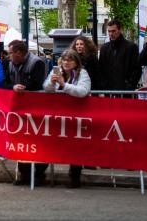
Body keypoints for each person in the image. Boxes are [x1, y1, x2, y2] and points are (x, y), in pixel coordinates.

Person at [43, 48, 91, 188]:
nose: (66, 62)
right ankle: (41, 173)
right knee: (50, 143)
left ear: (76, 62)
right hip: (58, 115)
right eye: (64, 59)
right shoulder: (57, 71)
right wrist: (52, 83)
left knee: (76, 147)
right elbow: (46, 87)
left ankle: (74, 177)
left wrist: (64, 85)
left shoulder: (82, 73)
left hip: (78, 115)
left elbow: (82, 91)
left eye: (70, 60)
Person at [4, 39, 47, 186]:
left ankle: (40, 174)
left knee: (38, 143)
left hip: (36, 109)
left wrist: (23, 88)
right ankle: (24, 174)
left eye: (10, 53)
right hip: (19, 110)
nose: (8, 56)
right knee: (21, 142)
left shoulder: (37, 63)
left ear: (19, 53)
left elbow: (37, 83)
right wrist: (13, 87)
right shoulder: (10, 64)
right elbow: (5, 82)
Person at [98, 20, 140, 91]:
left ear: (120, 30)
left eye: (113, 31)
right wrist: (104, 85)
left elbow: (137, 69)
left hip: (125, 91)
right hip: (109, 90)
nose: (111, 34)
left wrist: (130, 86)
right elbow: (100, 69)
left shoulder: (131, 47)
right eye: (109, 31)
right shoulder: (104, 48)